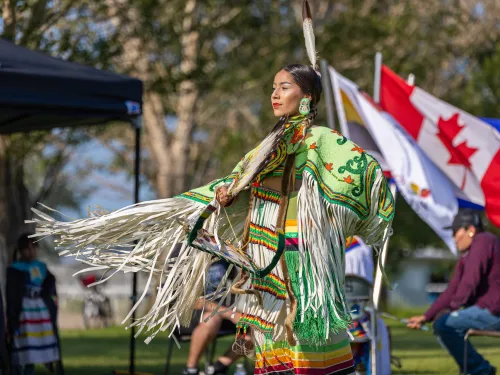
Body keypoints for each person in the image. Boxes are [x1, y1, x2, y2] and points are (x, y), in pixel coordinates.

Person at [31, 2, 394, 374]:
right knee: (274, 344)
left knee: (309, 343)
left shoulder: (322, 141)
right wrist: (229, 195)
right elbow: (240, 181)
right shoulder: (270, 145)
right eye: (272, 87)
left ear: (305, 96)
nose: (274, 94)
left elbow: (362, 173)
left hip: (306, 260)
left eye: (283, 87)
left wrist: (315, 180)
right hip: (268, 259)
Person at [407, 209, 500, 375]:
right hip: (489, 311)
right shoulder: (469, 253)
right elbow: (453, 289)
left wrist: (452, 309)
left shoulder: (484, 241)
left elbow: (470, 283)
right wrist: (426, 316)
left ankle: (480, 370)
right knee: (443, 322)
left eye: (456, 232)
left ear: (470, 230)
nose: (454, 237)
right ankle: (478, 369)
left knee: (445, 324)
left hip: (495, 312)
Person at [6, 234, 63, 375]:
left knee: (40, 345)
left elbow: (50, 289)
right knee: (25, 347)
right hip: (24, 313)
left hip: (41, 312)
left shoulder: (42, 267)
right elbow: (12, 295)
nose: (30, 251)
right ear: (20, 250)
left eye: (33, 247)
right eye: (27, 248)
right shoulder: (15, 269)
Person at [183, 260, 247, 375]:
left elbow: (235, 283)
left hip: (221, 312)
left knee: (251, 326)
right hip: (190, 315)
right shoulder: (186, 254)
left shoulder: (224, 257)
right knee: (211, 319)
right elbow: (191, 300)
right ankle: (190, 369)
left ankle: (219, 367)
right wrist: (230, 314)